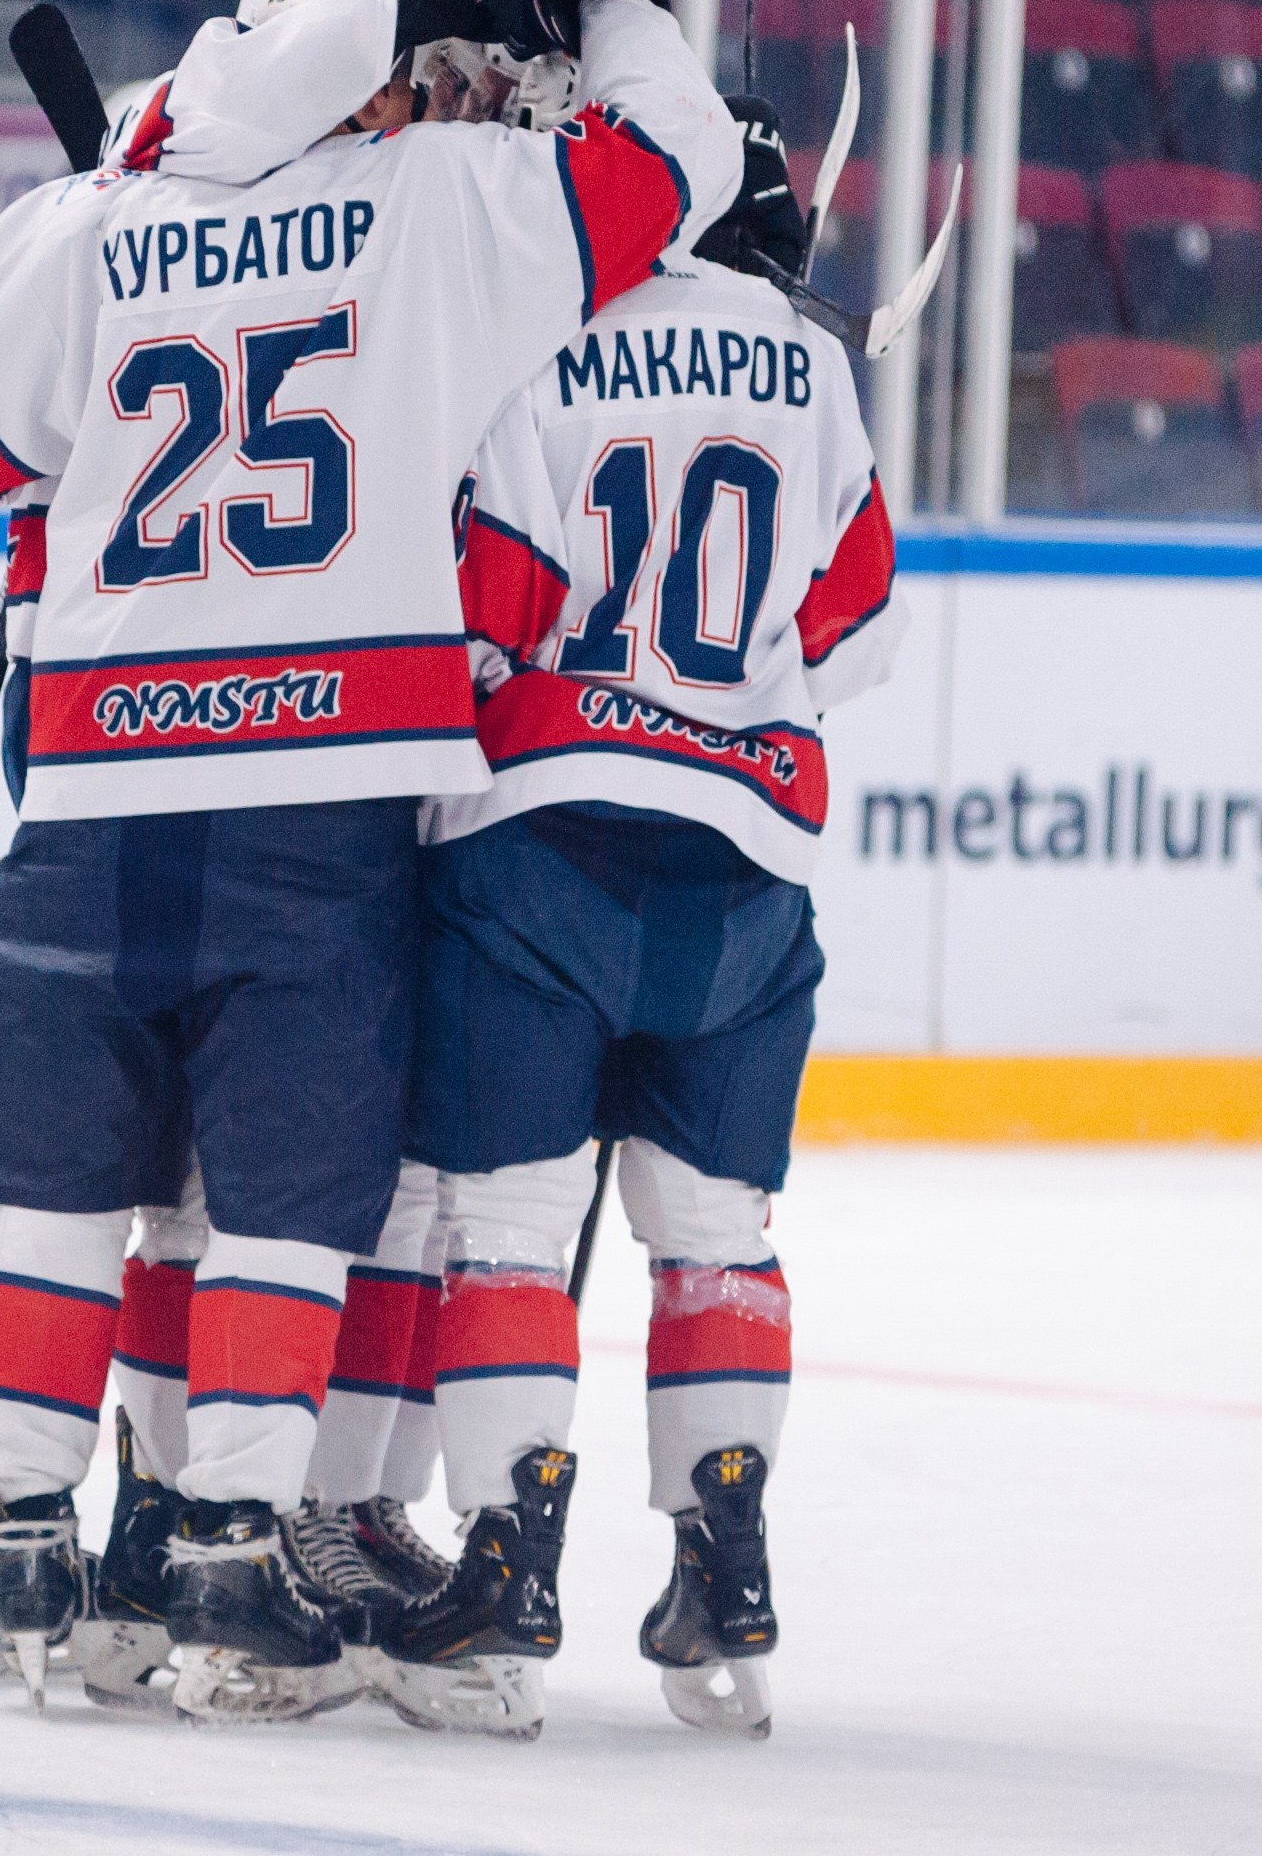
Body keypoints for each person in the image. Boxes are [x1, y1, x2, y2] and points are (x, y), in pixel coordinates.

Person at [0, 0, 740, 1722]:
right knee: (283, 1198)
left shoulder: (101, 213)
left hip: (100, 766)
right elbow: (679, 164)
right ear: (389, 56)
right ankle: (233, 1531)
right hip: (324, 786)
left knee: (65, 1182)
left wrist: (75, 360)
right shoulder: (443, 206)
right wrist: (614, 5)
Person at [373, 98, 905, 1740]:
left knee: (509, 1228)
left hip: (543, 848)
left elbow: (498, 599)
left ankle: (504, 1570)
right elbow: (854, 628)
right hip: (743, 869)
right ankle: (721, 1568)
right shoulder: (814, 367)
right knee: (717, 1234)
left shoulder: (553, 328)